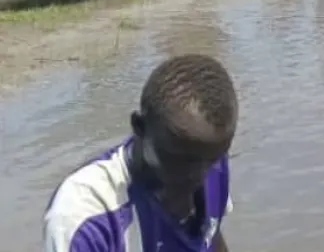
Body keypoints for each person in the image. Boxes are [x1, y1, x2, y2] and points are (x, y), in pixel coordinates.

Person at [43, 54, 237, 252]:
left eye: (213, 159)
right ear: (140, 127)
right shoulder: (85, 213)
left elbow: (211, 238)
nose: (197, 177)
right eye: (180, 161)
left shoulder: (208, 161)